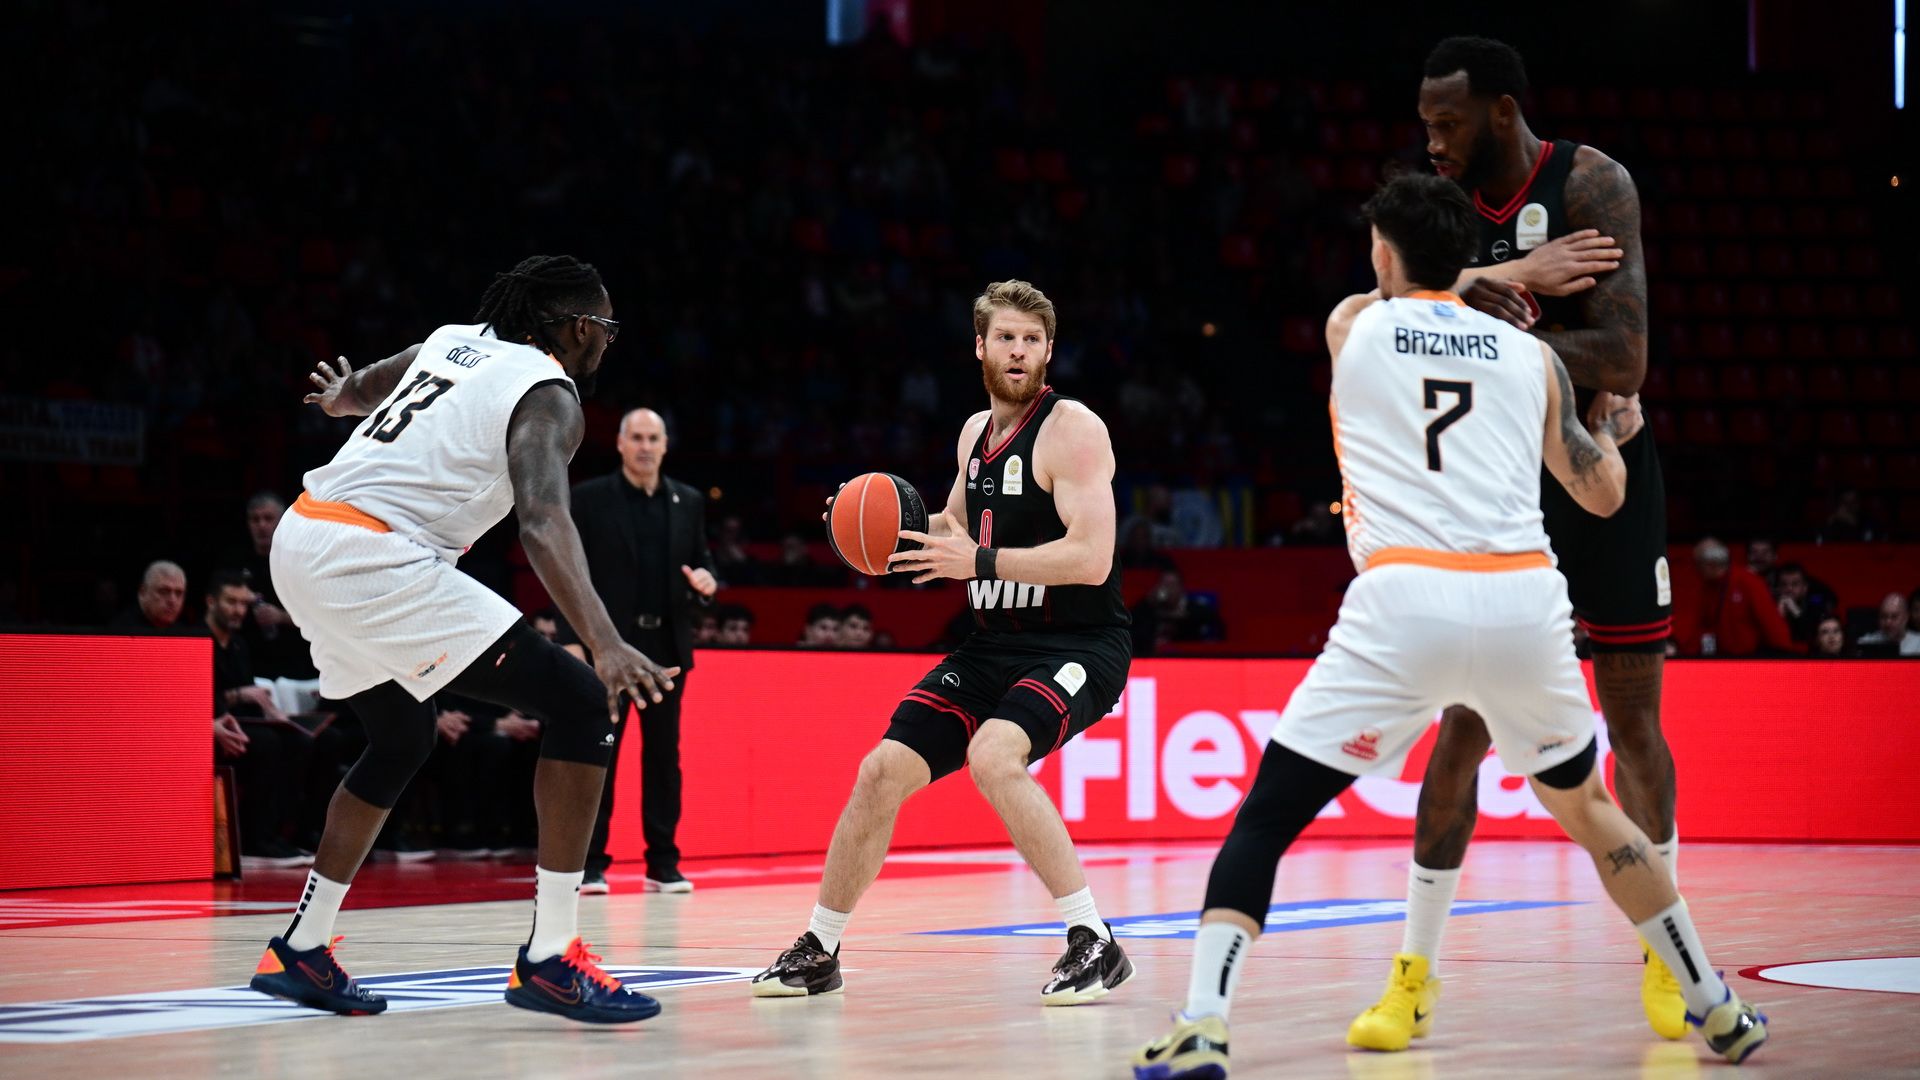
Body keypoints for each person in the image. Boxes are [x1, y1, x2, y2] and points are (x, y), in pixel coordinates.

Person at [1131, 175, 1766, 1080]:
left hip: (1405, 600)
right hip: (1523, 603)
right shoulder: (1533, 360)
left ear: (1385, 254)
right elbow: (1600, 494)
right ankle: (1715, 1003)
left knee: (1268, 818)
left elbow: (1401, 296)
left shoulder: (1356, 326)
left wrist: (1482, 275)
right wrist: (1617, 438)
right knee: (1591, 809)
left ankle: (1203, 1020)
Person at [1365, 36, 1691, 1047]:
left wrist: (1484, 322)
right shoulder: (1438, 202)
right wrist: (1506, 278)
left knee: (1633, 726)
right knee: (1461, 724)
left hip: (1606, 467)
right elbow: (1384, 314)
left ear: (1502, 112)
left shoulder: (1592, 183)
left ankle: (1666, 956)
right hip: (1501, 486)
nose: (1432, 139)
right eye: (1425, 121)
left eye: (1448, 121)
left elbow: (1624, 358)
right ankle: (1413, 975)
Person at [248, 255, 676, 1024]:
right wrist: (605, 641)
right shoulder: (548, 393)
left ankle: (301, 948)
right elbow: (542, 520)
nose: (609, 341)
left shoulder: (452, 340)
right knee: (581, 700)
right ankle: (551, 959)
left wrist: (343, 396)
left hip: (303, 537)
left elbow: (374, 382)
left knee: (401, 736)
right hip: (373, 558)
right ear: (576, 327)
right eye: (606, 327)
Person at [751, 280, 1136, 1005]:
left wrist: (980, 563)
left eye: (1031, 340)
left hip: (1080, 644)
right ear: (980, 346)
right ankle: (820, 948)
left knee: (994, 755)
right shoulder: (972, 435)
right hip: (992, 646)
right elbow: (951, 532)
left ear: (1048, 351)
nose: (1018, 351)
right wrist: (869, 525)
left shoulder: (1073, 429)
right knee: (879, 772)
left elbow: (1091, 558)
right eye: (1006, 337)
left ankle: (1094, 939)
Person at [560, 406, 717, 895]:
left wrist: (707, 583)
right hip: (608, 647)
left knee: (664, 757)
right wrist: (574, 639)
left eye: (653, 438)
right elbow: (566, 572)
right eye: (638, 438)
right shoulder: (589, 499)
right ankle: (590, 864)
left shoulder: (688, 500)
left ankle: (663, 864)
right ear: (621, 443)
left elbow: (703, 564)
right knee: (600, 752)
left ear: (665, 445)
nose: (646, 446)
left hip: (666, 647)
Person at [205, 568, 311, 867]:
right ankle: (256, 840)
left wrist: (272, 712)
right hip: (209, 728)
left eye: (243, 603)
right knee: (267, 744)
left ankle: (289, 834)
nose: (239, 610)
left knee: (302, 741)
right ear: (211, 602)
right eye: (231, 602)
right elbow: (202, 698)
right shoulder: (198, 640)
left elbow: (249, 695)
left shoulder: (239, 645)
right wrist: (240, 695)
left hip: (244, 723)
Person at [1671, 538, 1799, 657]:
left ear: (1711, 564)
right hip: (1723, 659)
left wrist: (1785, 658)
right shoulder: (1708, 587)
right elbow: (1703, 627)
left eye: (1698, 564)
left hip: (1750, 660)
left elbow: (1772, 625)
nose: (1695, 569)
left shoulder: (1748, 582)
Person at [110, 560, 187, 631]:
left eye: (179, 593)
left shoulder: (184, 632)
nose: (172, 600)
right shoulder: (119, 631)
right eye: (163, 592)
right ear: (143, 593)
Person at [1773, 562, 1838, 645]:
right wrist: (1778, 616)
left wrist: (1796, 611)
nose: (1789, 589)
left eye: (1795, 584)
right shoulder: (1771, 603)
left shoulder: (1814, 602)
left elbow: (1811, 635)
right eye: (1783, 585)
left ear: (1805, 588)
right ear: (1778, 588)